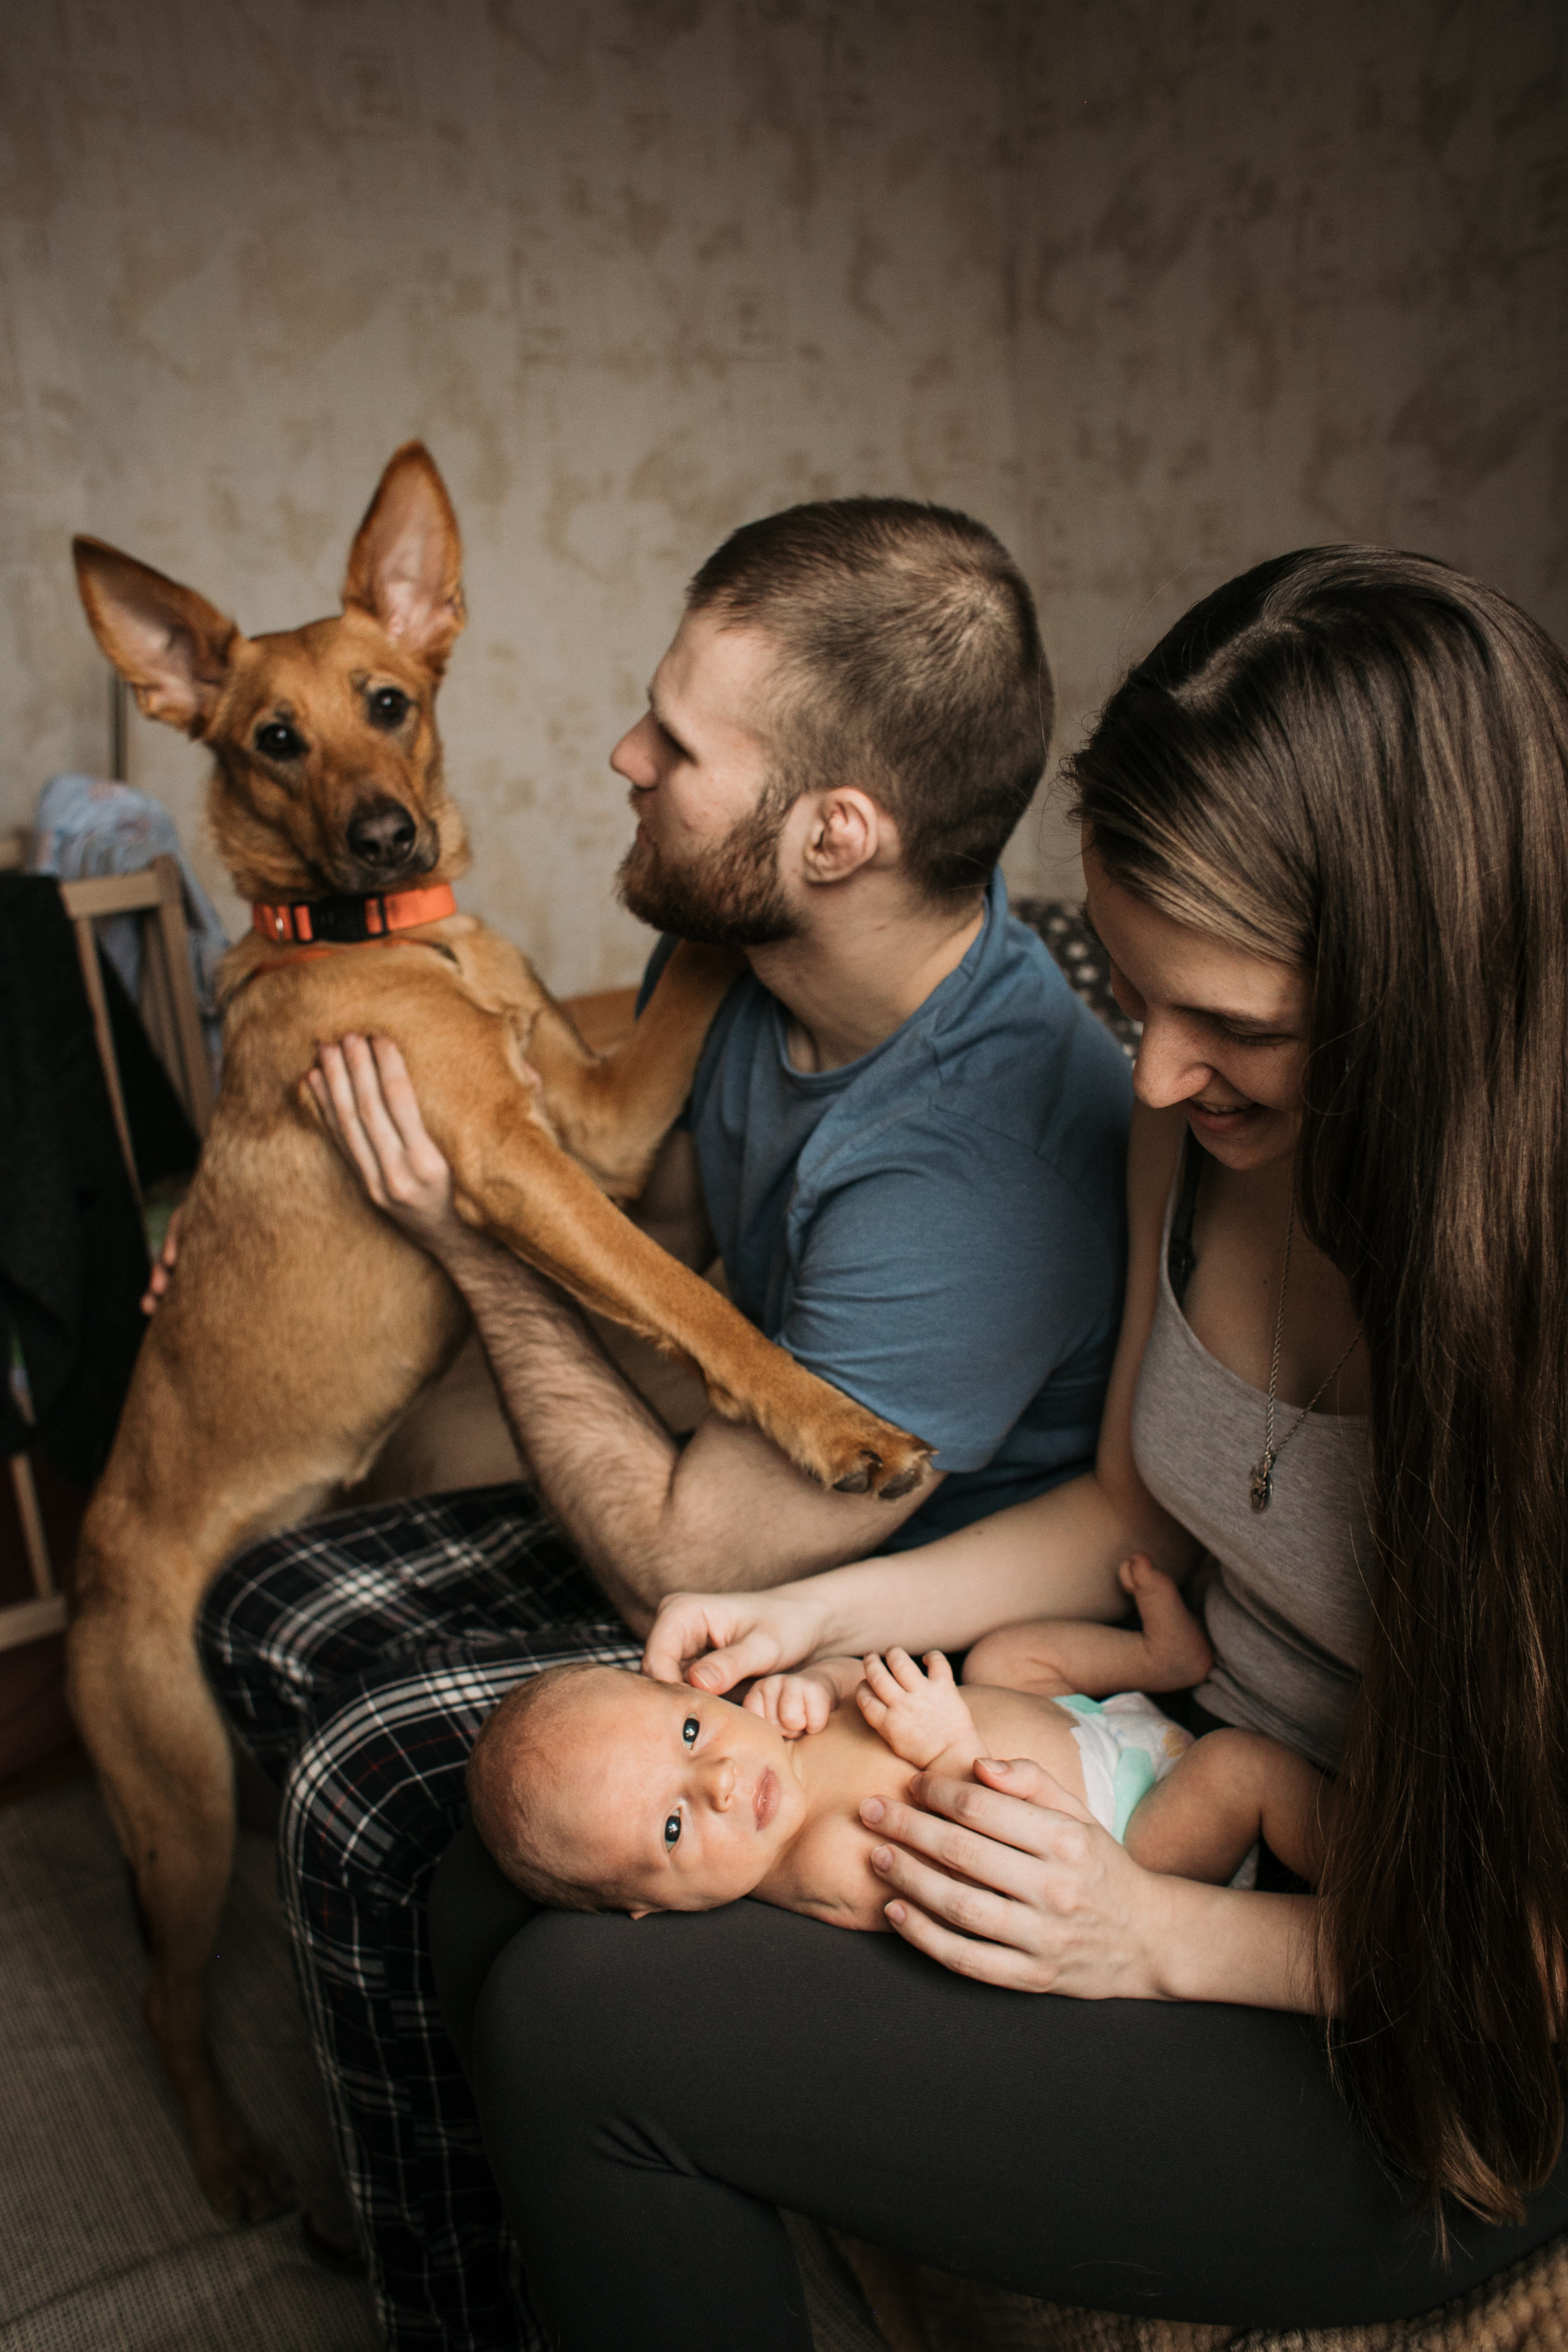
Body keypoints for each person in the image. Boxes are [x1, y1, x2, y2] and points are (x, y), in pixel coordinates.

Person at [432, 546, 1568, 2346]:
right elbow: (1128, 1508)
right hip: (1181, 1777)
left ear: (1442, 990)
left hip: (1400, 2030)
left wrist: (1153, 1941)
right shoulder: (1192, 1141)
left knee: (584, 2031)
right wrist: (817, 1619)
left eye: (1237, 1027)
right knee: (496, 1875)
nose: (1159, 1073)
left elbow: (1534, 1970)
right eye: (1135, 997)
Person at [192, 496, 1133, 2350]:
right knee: (264, 1600)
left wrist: (469, 1243)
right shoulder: (762, 973)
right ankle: (475, 2120)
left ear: (834, 832)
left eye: (676, 746)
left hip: (881, 1594)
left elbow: (689, 1549)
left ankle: (460, 2297)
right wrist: (271, 1243)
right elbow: (659, 1239)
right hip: (740, 1490)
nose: (622, 758)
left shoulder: (977, 1151)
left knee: (363, 1766)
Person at [469, 1558, 1323, 1921]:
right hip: (1127, 1830)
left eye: (690, 1732)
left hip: (1084, 1720)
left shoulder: (766, 1736)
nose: (722, 1781)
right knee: (1242, 1769)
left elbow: (857, 1679)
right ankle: (1387, 1891)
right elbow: (990, 1870)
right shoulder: (829, 1871)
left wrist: (823, 1680)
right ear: (644, 1906)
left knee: (998, 1654)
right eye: (672, 1826)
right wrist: (949, 1749)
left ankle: (1160, 1658)